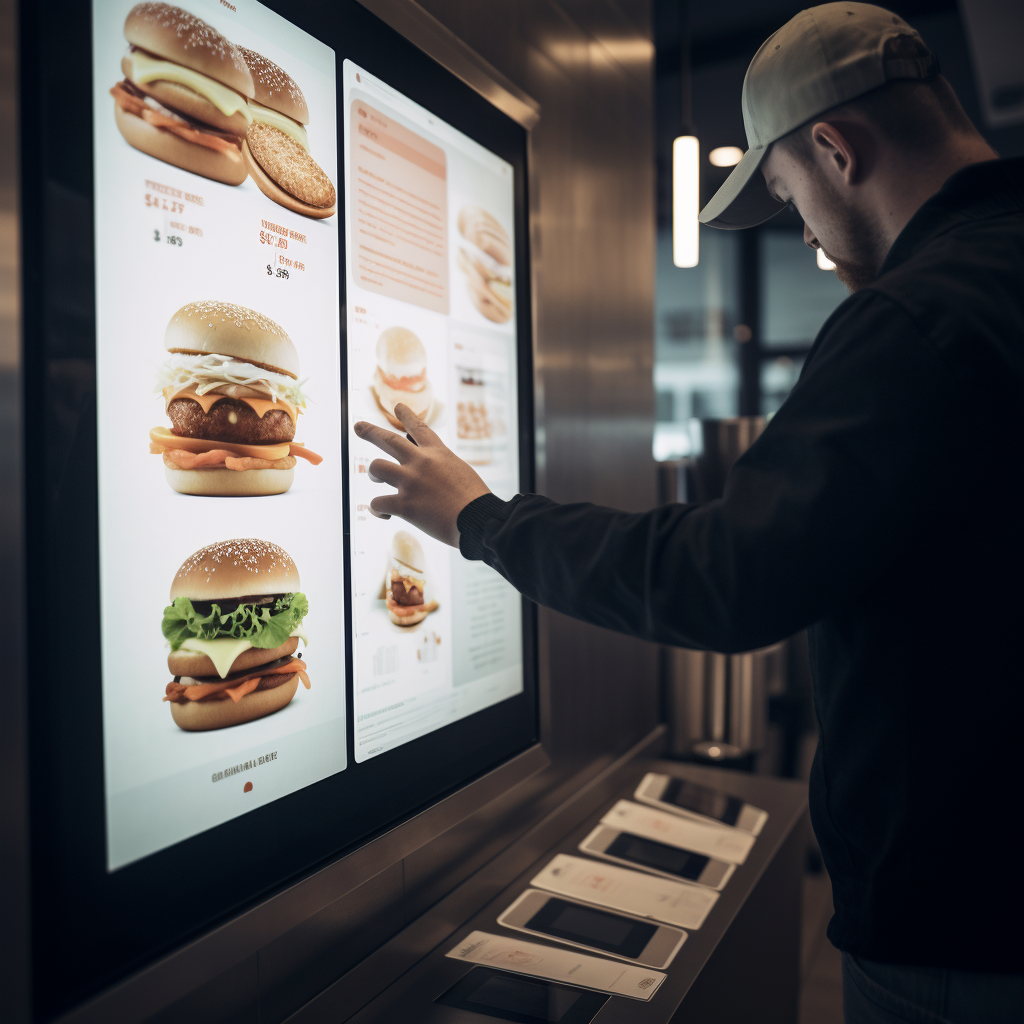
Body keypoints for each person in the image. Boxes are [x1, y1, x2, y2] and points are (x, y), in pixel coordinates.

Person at [355, 4, 1024, 1022]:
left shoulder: (912, 315)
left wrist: (482, 518)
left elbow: (726, 577)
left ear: (835, 150)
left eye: (790, 195)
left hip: (964, 934)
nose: (801, 233)